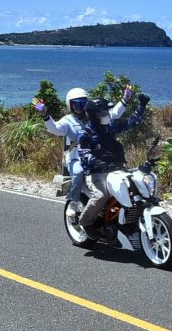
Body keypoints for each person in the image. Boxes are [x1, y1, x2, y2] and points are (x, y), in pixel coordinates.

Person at [32, 85, 132, 203]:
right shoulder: (68, 120)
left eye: (83, 103)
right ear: (70, 105)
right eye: (76, 104)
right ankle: (74, 201)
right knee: (79, 172)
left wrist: (125, 99)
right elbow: (55, 129)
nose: (80, 107)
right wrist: (44, 115)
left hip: (97, 155)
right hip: (76, 158)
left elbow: (113, 114)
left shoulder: (94, 116)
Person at [76, 93, 150, 232]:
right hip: (95, 173)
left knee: (135, 188)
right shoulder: (86, 132)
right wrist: (98, 163)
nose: (106, 114)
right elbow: (83, 153)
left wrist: (142, 106)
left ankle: (129, 219)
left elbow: (131, 122)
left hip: (116, 169)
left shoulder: (110, 126)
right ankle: (86, 223)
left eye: (106, 111)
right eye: (102, 112)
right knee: (101, 196)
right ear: (94, 115)